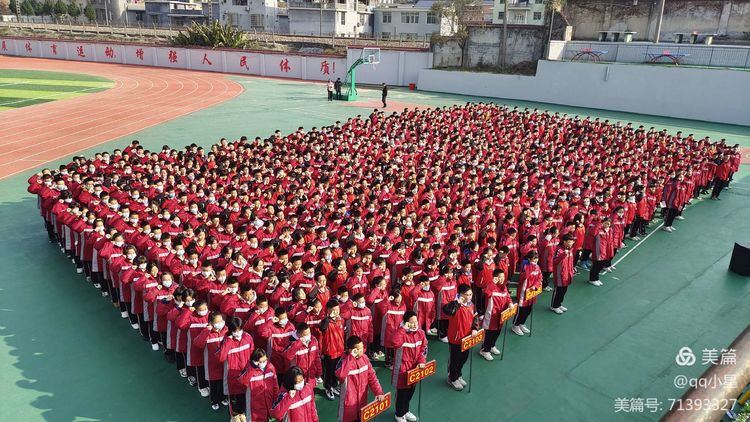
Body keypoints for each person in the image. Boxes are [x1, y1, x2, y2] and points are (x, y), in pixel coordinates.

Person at [335, 335, 386, 422]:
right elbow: (340, 375)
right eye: (360, 348)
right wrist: (351, 358)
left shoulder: (365, 358)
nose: (363, 350)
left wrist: (379, 392)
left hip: (362, 402)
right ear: (352, 350)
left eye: (362, 347)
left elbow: (372, 378)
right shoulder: (343, 361)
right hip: (349, 404)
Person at [391, 311, 428, 422]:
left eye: (416, 321)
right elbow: (395, 343)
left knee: (410, 392)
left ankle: (405, 410)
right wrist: (403, 329)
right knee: (402, 394)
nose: (415, 324)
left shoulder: (421, 333)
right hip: (402, 369)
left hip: (415, 369)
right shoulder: (401, 333)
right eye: (412, 322)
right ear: (406, 323)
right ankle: (399, 414)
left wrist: (421, 361)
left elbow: (424, 348)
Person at [442, 284, 478, 391]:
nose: (469, 297)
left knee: (464, 358)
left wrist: (475, 328)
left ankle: (458, 375)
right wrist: (457, 302)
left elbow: (475, 317)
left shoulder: (471, 305)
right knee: (455, 360)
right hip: (455, 339)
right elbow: (448, 311)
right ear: (460, 294)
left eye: (470, 294)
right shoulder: (454, 304)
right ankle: (452, 378)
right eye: (466, 295)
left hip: (467, 338)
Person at [219, 317, 255, 418]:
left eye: (240, 329)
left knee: (246, 400)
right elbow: (221, 357)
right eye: (235, 331)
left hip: (246, 374)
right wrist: (228, 341)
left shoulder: (248, 337)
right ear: (231, 331)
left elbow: (252, 354)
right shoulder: (226, 341)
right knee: (235, 405)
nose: (238, 332)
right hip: (232, 378)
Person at [193, 311, 229, 410]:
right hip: (211, 365)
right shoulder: (207, 333)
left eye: (221, 320)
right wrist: (206, 330)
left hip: (223, 363)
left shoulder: (226, 330)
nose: (220, 323)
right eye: (217, 322)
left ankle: (222, 397)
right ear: (211, 323)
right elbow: (197, 343)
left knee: (222, 382)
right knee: (213, 385)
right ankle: (214, 400)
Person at [479, 269, 513, 360]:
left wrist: (510, 303)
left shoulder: (504, 287)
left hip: (501, 315)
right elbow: (487, 293)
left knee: (497, 331)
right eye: (500, 277)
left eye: (503, 277)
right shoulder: (490, 286)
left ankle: (492, 345)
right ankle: (485, 350)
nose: (502, 279)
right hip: (491, 316)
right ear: (495, 278)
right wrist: (492, 283)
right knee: (489, 333)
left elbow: (507, 297)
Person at [238, 348, 279, 422]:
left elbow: (275, 386)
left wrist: (276, 399)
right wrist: (252, 367)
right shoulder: (249, 369)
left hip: (268, 403)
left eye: (265, 360)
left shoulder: (271, 367)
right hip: (254, 407)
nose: (264, 363)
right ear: (255, 361)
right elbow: (242, 381)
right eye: (261, 361)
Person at [320, 298, 345, 400]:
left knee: (336, 371)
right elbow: (322, 328)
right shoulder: (325, 321)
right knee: (329, 372)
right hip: (330, 352)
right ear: (329, 310)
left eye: (338, 309)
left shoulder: (340, 320)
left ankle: (334, 386)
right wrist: (329, 318)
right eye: (334, 310)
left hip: (339, 351)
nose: (336, 312)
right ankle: (328, 387)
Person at [512, 251, 542, 336]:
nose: (535, 261)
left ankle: (522, 323)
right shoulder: (525, 266)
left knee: (528, 310)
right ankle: (516, 325)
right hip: (523, 292)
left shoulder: (537, 267)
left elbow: (540, 278)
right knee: (521, 310)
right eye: (534, 259)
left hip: (532, 293)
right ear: (529, 259)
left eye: (537, 259)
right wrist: (532, 267)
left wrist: (535, 286)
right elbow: (523, 277)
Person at [551, 234, 576, 314]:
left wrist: (571, 271)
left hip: (567, 274)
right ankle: (554, 306)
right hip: (559, 274)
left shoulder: (570, 249)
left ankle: (559, 304)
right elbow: (554, 261)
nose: (571, 243)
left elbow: (571, 262)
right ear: (564, 241)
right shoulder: (559, 250)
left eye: (572, 241)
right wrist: (563, 254)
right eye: (570, 241)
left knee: (564, 291)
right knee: (558, 291)